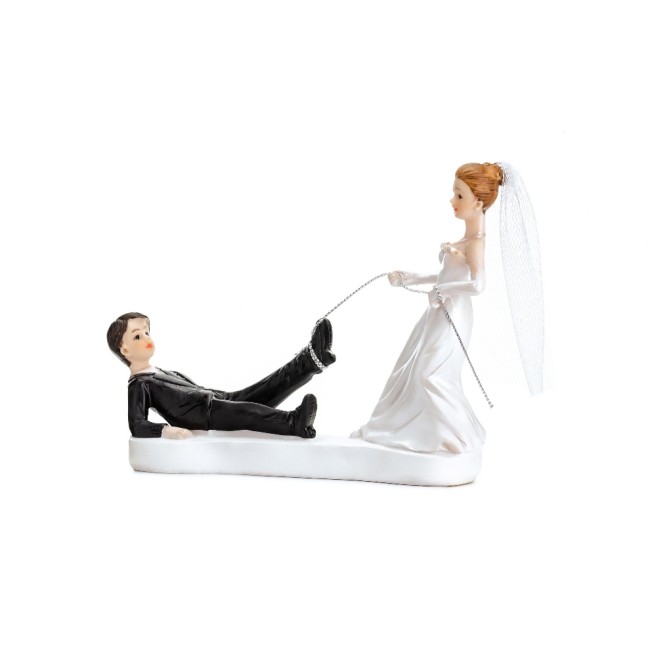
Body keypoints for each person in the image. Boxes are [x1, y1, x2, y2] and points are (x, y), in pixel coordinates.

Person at [351, 161, 543, 454]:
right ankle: (423, 430)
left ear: (478, 203)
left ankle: (461, 437)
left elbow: (478, 285)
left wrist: (444, 290)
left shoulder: (475, 243)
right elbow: (445, 275)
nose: (452, 200)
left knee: (431, 375)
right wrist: (409, 278)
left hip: (454, 313)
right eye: (455, 193)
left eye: (460, 195)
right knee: (413, 369)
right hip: (441, 311)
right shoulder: (465, 240)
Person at [107, 312, 335, 439]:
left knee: (265, 388)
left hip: (214, 399)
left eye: (147, 332)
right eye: (137, 337)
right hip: (204, 416)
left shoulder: (163, 372)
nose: (147, 339)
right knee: (249, 413)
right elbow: (136, 424)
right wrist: (165, 430)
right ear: (124, 350)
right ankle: (294, 423)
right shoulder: (139, 385)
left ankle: (310, 360)